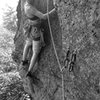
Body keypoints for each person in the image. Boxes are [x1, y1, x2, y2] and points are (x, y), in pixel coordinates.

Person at [21, 0, 57, 78]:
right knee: (36, 52)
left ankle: (24, 60)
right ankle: (29, 72)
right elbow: (44, 17)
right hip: (35, 30)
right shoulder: (31, 8)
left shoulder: (25, 4)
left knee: (28, 43)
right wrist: (55, 9)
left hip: (30, 26)